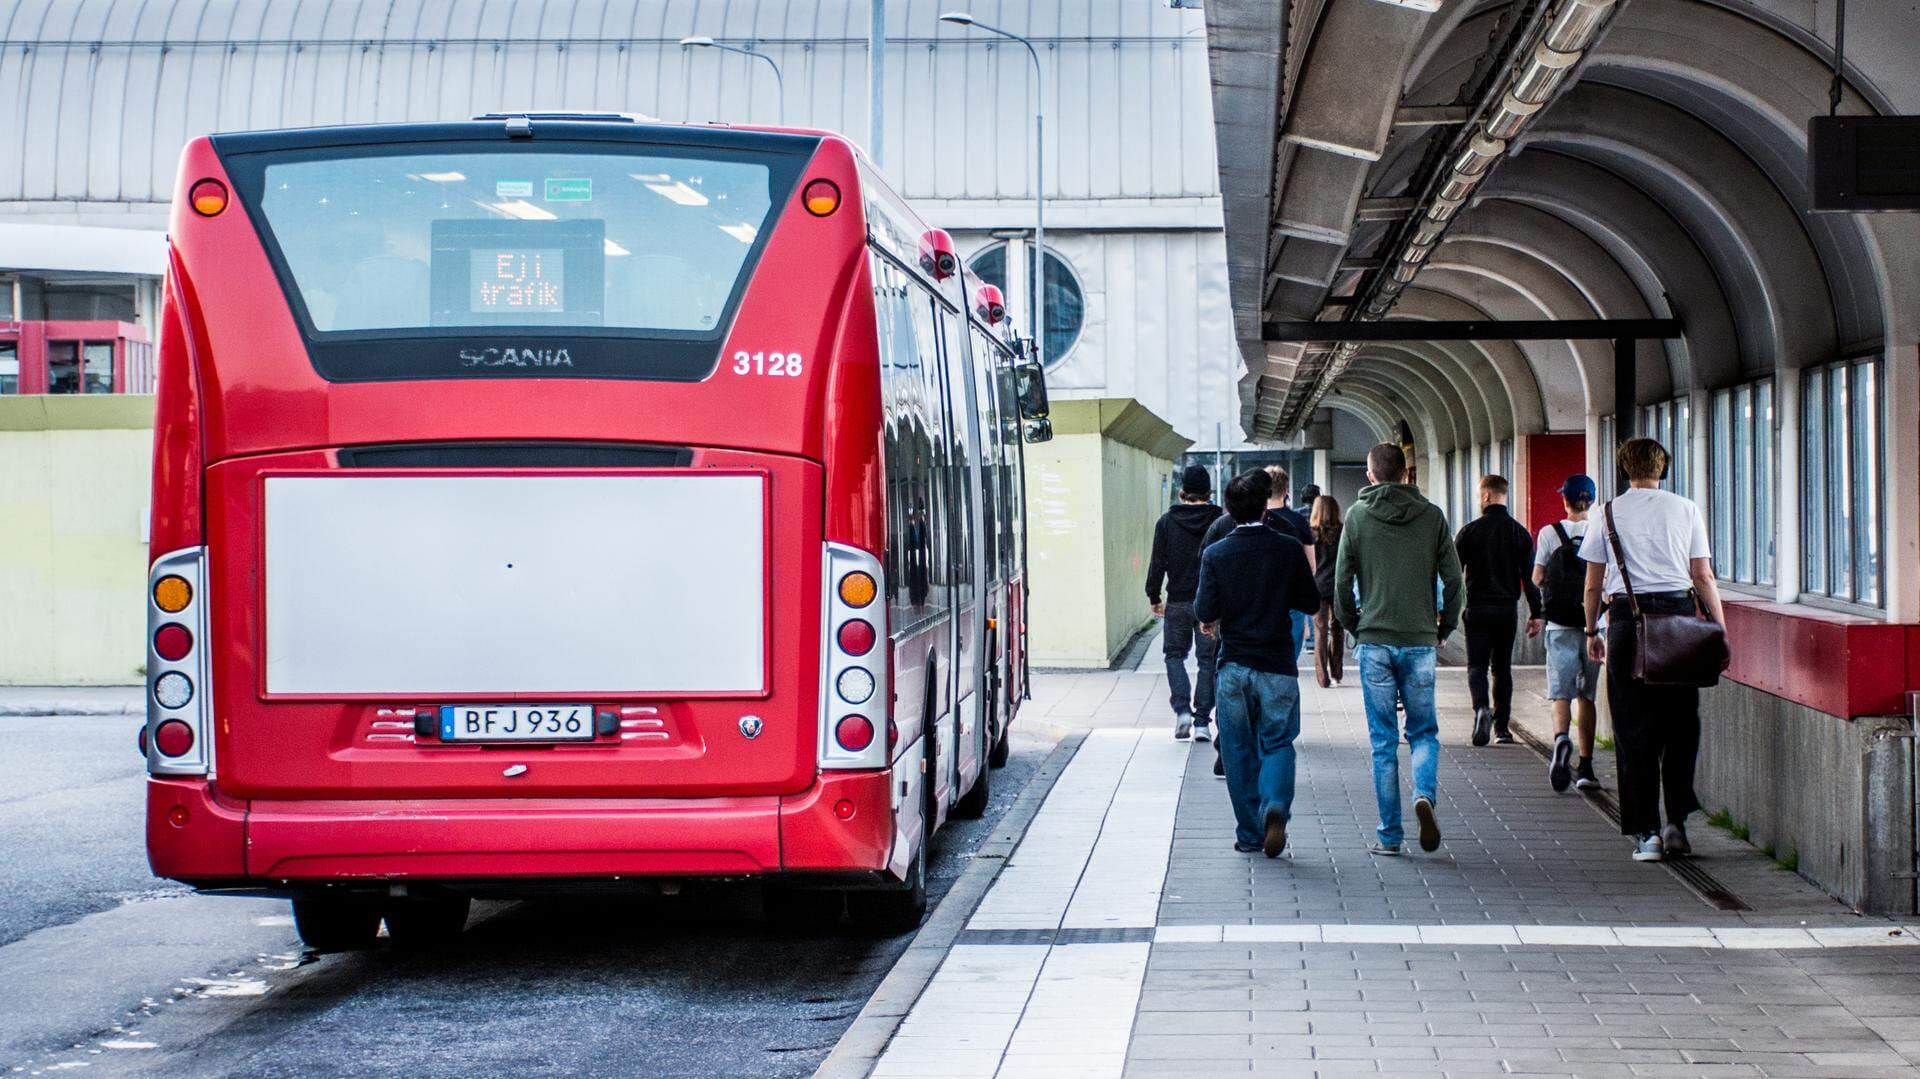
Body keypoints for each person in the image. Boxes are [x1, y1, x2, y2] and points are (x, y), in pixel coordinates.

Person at [1580, 438, 1725, 863]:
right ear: (1664, 467)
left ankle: (1647, 833)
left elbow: (1592, 584)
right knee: (1681, 726)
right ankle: (1676, 823)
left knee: (1632, 729)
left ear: (1624, 469)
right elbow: (1703, 575)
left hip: (1628, 623)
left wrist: (1591, 629)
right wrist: (1718, 628)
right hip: (1679, 623)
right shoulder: (1686, 508)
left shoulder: (1607, 513)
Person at [1335, 442, 1463, 856]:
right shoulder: (1432, 516)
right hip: (1419, 641)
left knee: (1383, 743)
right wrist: (1445, 625)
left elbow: (1341, 583)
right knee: (1423, 732)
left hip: (1374, 641)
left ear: (1370, 475)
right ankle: (1423, 794)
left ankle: (1390, 836)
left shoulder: (1357, 516)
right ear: (1407, 474)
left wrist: (1355, 625)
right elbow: (1454, 579)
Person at [1193, 469, 1321, 857]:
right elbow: (1310, 601)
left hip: (1234, 666)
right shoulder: (1287, 548)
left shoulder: (1216, 554)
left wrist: (1216, 617)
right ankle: (1276, 803)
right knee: (1279, 741)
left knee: (1237, 750)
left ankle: (1250, 834)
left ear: (1229, 510)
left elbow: (1204, 609)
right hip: (1277, 664)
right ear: (1266, 505)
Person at [1454, 474, 1544, 747]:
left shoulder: (1469, 532)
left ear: (1486, 496)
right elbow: (1530, 578)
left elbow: (1453, 575)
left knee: (1477, 666)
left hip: (1477, 608)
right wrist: (1536, 613)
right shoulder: (1519, 533)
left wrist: (1445, 611)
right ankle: (1502, 729)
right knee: (1502, 668)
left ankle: (1481, 708)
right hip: (1506, 610)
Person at [1533, 474, 1602, 792]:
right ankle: (1586, 767)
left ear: (1565, 501)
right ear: (1592, 501)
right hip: (1594, 627)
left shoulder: (1550, 533)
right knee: (1587, 696)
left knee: (1560, 693)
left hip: (1559, 625)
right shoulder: (1600, 531)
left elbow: (1537, 577)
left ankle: (1561, 739)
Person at [1147, 465, 1224, 742]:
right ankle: (1202, 723)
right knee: (1208, 661)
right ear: (1208, 491)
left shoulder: (1167, 522)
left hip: (1178, 600)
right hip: (1210, 603)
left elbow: (1158, 562)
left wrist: (1154, 596)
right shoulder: (1220, 521)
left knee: (1174, 655)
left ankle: (1182, 711)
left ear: (1182, 491)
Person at [1309, 495, 1346, 688]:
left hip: (1317, 587)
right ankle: (1337, 673)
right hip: (1338, 586)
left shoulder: (1311, 534)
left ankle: (1323, 678)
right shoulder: (1343, 531)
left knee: (1320, 631)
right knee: (1338, 629)